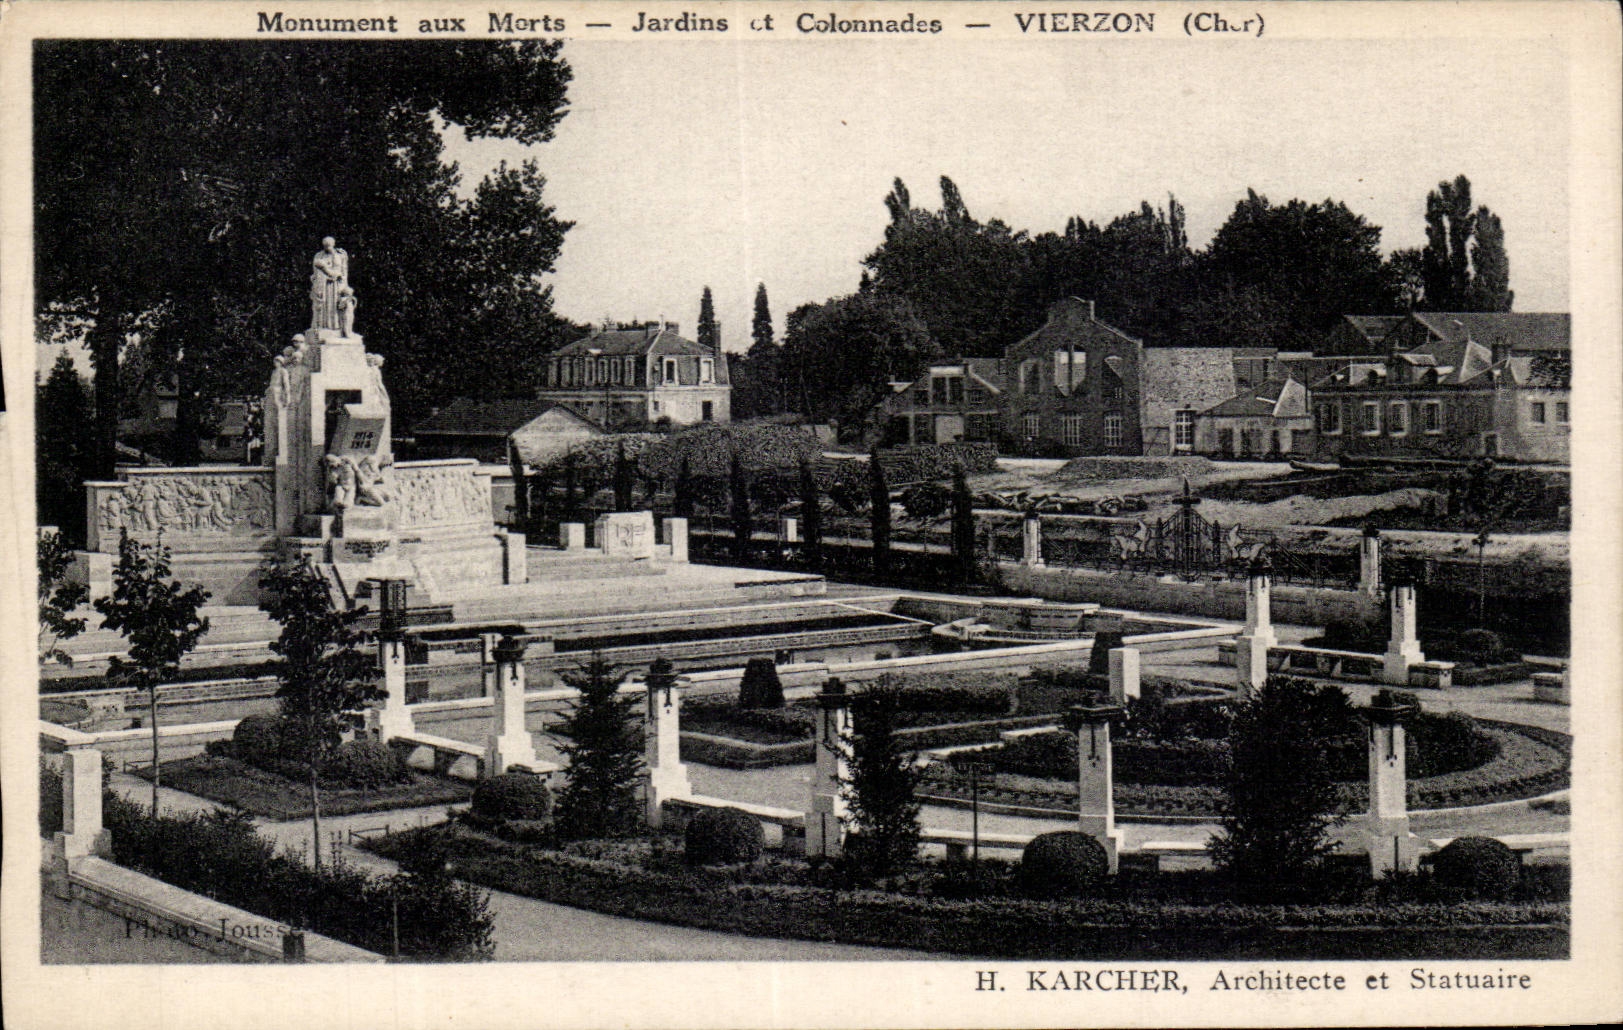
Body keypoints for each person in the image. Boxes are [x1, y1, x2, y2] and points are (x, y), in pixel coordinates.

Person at [310, 237, 349, 330]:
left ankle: (335, 326)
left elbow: (341, 272)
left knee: (335, 306)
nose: (327, 247)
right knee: (321, 306)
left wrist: (324, 268)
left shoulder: (340, 255)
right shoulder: (318, 255)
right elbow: (315, 274)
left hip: (335, 285)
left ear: (333, 244)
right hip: (322, 285)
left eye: (329, 245)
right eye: (326, 246)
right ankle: (321, 326)